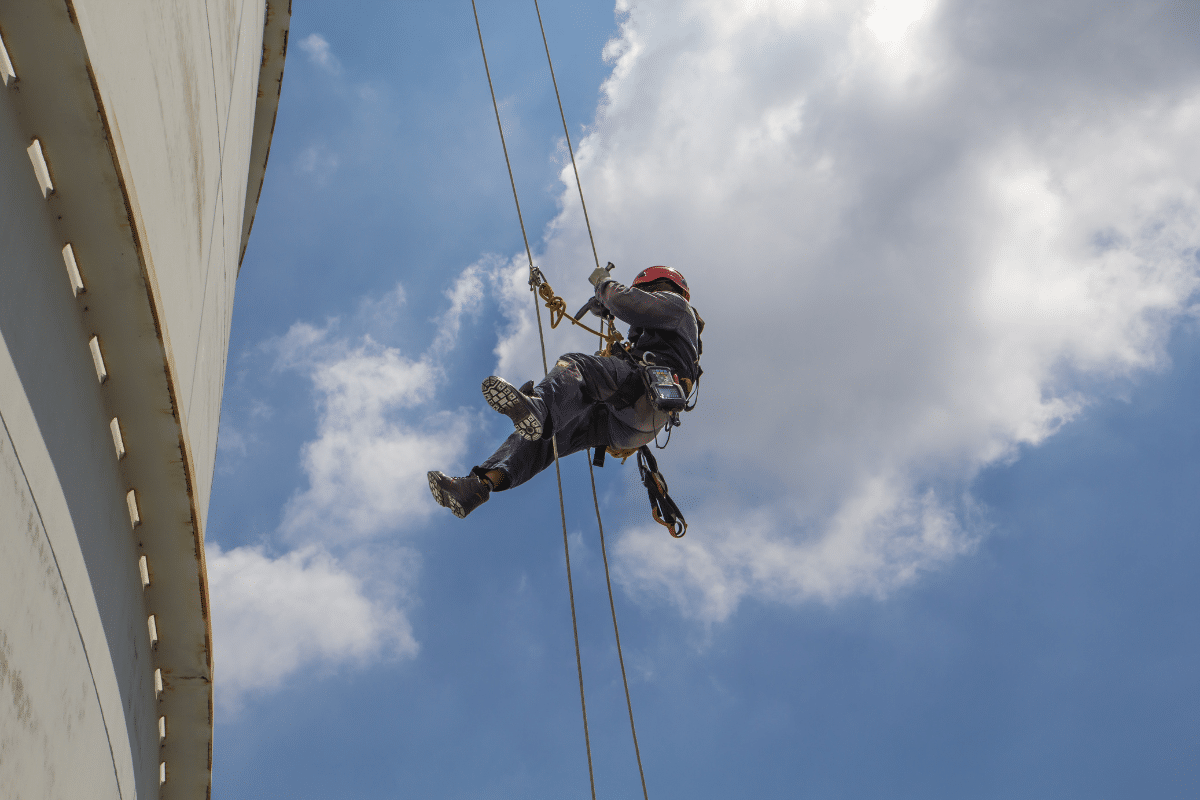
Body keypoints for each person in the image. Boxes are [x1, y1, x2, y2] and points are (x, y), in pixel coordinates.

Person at [427, 264, 703, 518]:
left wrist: (604, 285)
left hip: (640, 392)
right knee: (546, 438)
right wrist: (608, 311)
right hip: (633, 424)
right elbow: (634, 321)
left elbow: (626, 302)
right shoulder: (669, 331)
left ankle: (540, 407)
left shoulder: (677, 307)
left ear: (652, 286)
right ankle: (478, 486)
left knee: (577, 366)